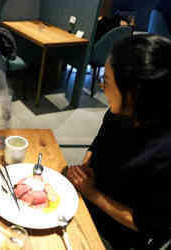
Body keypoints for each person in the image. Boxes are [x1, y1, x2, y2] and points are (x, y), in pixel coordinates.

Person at [66, 34, 171, 250]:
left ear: (133, 94)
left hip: (113, 235)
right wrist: (84, 168)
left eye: (106, 81)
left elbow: (147, 224)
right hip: (86, 199)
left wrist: (91, 193)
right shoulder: (119, 113)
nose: (100, 87)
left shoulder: (164, 152)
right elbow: (98, 143)